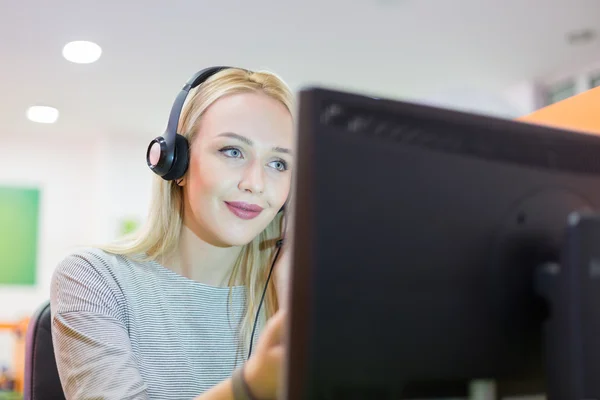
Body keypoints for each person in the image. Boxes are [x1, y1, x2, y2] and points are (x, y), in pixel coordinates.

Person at [50, 67, 295, 400]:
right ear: (174, 162)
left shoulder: (290, 294)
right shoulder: (95, 278)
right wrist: (248, 388)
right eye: (232, 152)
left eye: (278, 163)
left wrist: (292, 294)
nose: (256, 183)